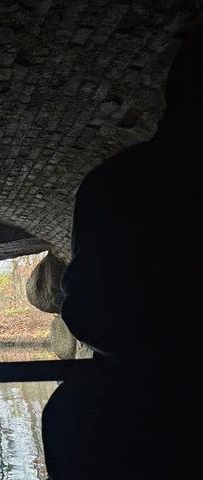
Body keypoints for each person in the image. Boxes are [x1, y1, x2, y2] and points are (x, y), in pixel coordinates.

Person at [42, 23, 203, 479]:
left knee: (68, 415)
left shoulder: (110, 183)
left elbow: (88, 311)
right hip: (145, 413)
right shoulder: (113, 185)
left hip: (126, 418)